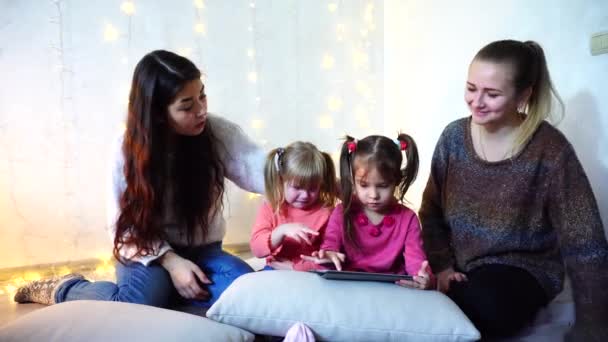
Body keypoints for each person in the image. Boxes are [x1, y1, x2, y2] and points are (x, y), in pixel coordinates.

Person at [14, 50, 266, 309]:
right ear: (158, 112)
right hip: (148, 253)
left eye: (202, 96)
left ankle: (175, 290)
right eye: (187, 106)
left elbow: (261, 170)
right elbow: (124, 228)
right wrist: (171, 262)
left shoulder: (217, 133)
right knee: (135, 303)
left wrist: (297, 170)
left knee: (245, 291)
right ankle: (63, 288)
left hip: (203, 251)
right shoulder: (127, 150)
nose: (201, 110)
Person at [419, 39, 608, 340]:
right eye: (471, 88)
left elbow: (585, 240)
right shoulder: (453, 138)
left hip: (522, 270)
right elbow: (430, 212)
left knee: (485, 308)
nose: (476, 101)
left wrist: (593, 326)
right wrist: (441, 266)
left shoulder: (550, 149)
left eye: (492, 94)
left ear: (523, 95)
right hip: (461, 267)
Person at [303, 134, 433, 290]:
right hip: (349, 287)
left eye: (383, 185)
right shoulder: (341, 212)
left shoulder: (408, 219)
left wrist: (424, 278)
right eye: (364, 185)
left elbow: (416, 261)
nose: (373, 195)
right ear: (353, 180)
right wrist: (328, 256)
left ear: (397, 180)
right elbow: (330, 246)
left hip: (392, 289)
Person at [250, 141, 338, 271]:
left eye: (313, 188)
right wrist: (281, 231)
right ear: (281, 181)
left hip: (311, 273)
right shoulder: (272, 207)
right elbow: (257, 250)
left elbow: (331, 259)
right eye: (297, 187)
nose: (305, 195)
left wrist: (295, 268)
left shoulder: (327, 213)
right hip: (275, 270)